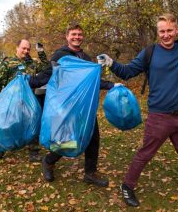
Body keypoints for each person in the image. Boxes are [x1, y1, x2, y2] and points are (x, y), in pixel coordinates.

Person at [98, 12, 178, 207]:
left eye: (170, 30)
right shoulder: (149, 53)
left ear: (176, 30)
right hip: (159, 117)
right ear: (157, 32)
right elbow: (128, 72)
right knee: (146, 153)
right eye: (162, 31)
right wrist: (111, 63)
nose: (166, 35)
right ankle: (127, 186)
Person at [40, 23, 119, 187]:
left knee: (93, 137)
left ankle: (90, 173)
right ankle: (48, 161)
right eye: (73, 34)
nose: (77, 37)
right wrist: (29, 82)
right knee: (65, 139)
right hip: (67, 107)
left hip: (85, 107)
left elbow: (93, 80)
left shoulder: (86, 58)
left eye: (79, 34)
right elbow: (49, 75)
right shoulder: (60, 56)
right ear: (67, 36)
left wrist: (112, 85)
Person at [0, 39, 49, 160]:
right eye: (24, 48)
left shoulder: (31, 63)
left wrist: (41, 52)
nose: (26, 51)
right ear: (17, 47)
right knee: (7, 124)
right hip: (11, 100)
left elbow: (45, 66)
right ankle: (0, 148)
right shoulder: (8, 63)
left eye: (28, 49)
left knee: (32, 123)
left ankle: (33, 152)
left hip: (28, 100)